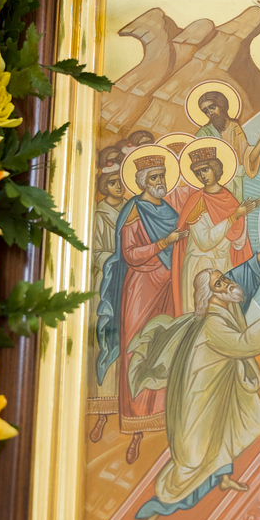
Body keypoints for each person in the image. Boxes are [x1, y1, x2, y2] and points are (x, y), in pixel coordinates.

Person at [129, 256, 260, 520]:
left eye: (224, 278)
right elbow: (246, 344)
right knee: (192, 465)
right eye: (220, 283)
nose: (228, 283)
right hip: (199, 401)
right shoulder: (213, 324)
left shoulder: (221, 312)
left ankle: (224, 477)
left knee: (225, 428)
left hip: (216, 392)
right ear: (211, 293)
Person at [96, 153, 185, 464]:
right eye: (154, 178)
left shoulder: (169, 209)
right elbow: (130, 254)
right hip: (141, 289)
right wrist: (165, 243)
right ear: (143, 182)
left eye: (162, 176)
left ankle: (165, 415)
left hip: (168, 286)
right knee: (138, 351)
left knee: (166, 349)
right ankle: (136, 426)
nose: (160, 182)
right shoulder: (134, 210)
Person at [171, 146, 259, 314]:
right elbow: (205, 241)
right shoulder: (197, 202)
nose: (202, 176)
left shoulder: (228, 197)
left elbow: (238, 242)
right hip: (200, 266)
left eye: (205, 170)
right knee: (202, 313)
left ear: (215, 169)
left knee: (225, 312)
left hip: (223, 264)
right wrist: (234, 216)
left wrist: (242, 215)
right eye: (198, 173)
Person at [88, 167, 125, 444]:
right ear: (104, 186)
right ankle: (102, 408)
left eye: (120, 181)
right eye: (112, 183)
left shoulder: (132, 209)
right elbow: (95, 252)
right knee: (106, 340)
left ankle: (124, 404)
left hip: (129, 280)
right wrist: (117, 259)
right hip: (106, 283)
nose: (118, 186)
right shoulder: (99, 214)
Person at [195, 90, 260, 202]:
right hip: (216, 184)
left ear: (221, 106)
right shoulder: (204, 133)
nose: (210, 112)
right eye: (206, 111)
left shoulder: (235, 127)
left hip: (236, 183)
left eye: (212, 107)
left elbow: (248, 158)